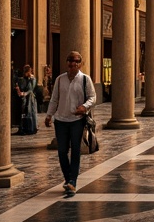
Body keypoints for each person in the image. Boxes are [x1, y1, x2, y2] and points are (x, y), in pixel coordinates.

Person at [43, 51, 95, 196]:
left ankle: (72, 181)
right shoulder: (60, 79)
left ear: (80, 63)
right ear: (67, 62)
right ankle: (68, 179)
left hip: (76, 121)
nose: (73, 64)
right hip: (60, 120)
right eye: (71, 61)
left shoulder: (85, 79)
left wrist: (84, 107)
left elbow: (92, 97)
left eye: (77, 61)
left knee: (76, 150)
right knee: (61, 151)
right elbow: (54, 99)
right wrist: (49, 116)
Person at [14, 65, 38, 134]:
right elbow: (23, 87)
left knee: (30, 112)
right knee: (24, 113)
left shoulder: (32, 78)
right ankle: (24, 127)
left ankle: (31, 128)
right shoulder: (25, 79)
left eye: (26, 72)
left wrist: (24, 93)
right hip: (25, 97)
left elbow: (31, 89)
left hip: (30, 98)